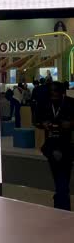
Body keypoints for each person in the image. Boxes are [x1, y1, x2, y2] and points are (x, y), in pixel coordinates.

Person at [36, 81, 74, 211]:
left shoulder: (70, 102)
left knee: (63, 177)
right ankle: (61, 203)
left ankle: (60, 202)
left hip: (67, 145)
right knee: (59, 176)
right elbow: (36, 120)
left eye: (56, 93)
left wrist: (70, 124)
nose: (54, 96)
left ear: (62, 92)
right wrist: (44, 124)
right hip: (51, 146)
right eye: (51, 93)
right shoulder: (45, 103)